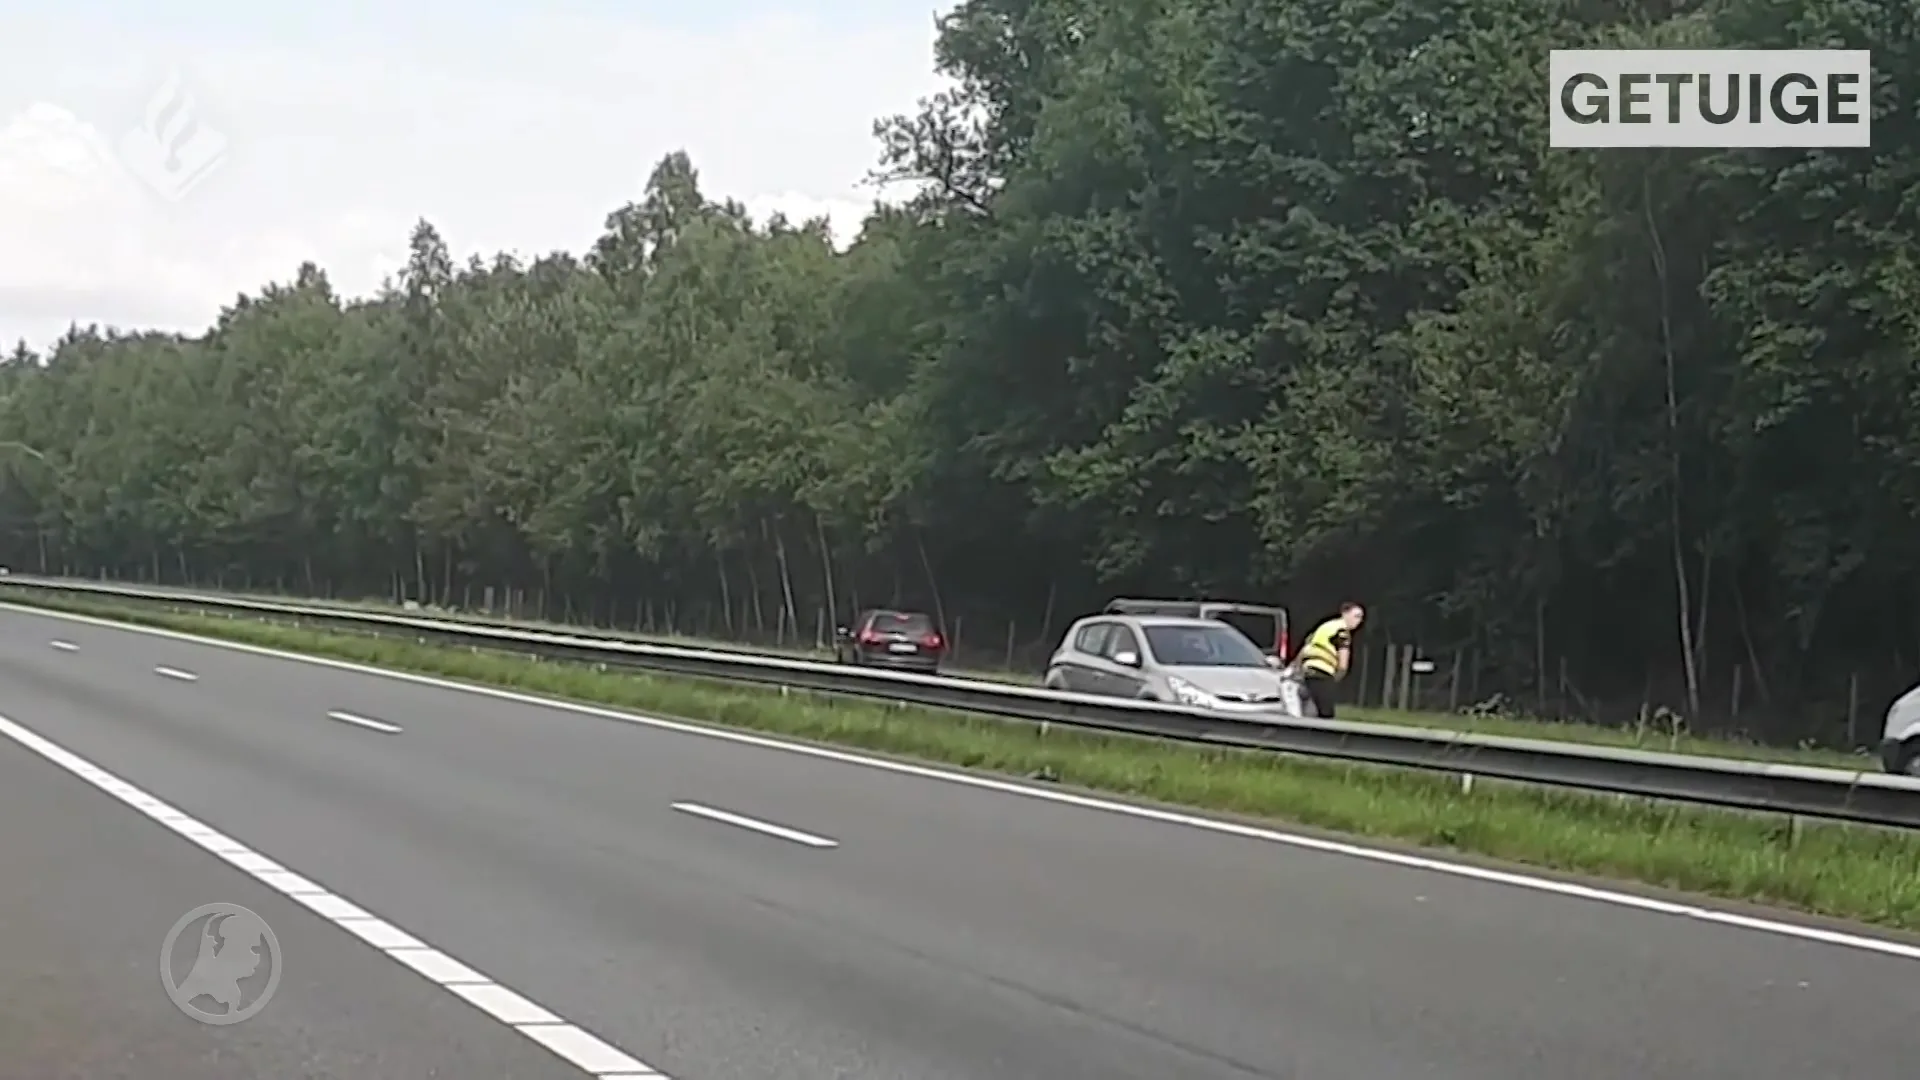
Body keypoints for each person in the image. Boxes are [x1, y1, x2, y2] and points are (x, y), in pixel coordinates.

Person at [1295, 602, 1364, 718]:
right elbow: (1343, 664)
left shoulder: (1324, 626)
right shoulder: (1342, 632)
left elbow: (1305, 648)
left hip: (1308, 673)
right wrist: (1337, 677)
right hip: (1323, 674)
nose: (1359, 621)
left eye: (1361, 618)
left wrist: (1297, 669)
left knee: (1309, 713)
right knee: (1326, 716)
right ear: (1345, 614)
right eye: (1356, 616)